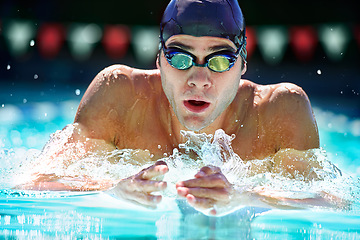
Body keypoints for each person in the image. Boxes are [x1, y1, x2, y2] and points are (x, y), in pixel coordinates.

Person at [21, 0, 327, 215]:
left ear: (243, 63)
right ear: (158, 61)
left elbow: (328, 202)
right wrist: (114, 188)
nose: (199, 79)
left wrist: (244, 197)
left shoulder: (279, 110)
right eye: (180, 58)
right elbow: (35, 182)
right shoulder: (120, 95)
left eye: (220, 60)